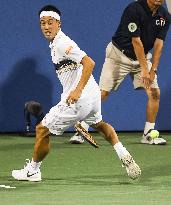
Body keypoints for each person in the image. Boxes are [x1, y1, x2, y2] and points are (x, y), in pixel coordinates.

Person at [11, 5, 141, 182]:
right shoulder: (56, 44)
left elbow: (89, 63)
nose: (46, 27)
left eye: (50, 23)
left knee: (42, 129)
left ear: (59, 24)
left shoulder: (62, 43)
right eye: (43, 23)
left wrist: (77, 91)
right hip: (92, 95)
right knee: (99, 123)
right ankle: (123, 153)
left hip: (80, 97)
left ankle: (33, 171)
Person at [70, 0, 170, 145]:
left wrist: (153, 69)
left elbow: (159, 44)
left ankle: (148, 134)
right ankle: (81, 129)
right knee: (102, 93)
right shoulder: (134, 9)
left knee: (155, 93)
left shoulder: (164, 16)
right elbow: (136, 41)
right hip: (118, 56)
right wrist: (144, 70)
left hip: (141, 57)